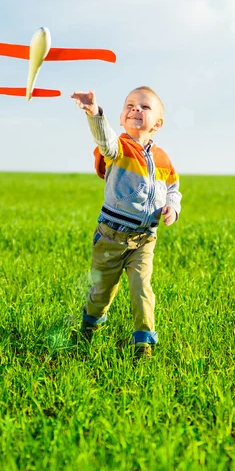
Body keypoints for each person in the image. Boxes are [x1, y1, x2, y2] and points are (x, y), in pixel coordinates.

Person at [71, 86, 182, 358]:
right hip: (111, 236)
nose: (136, 110)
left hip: (144, 238)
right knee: (102, 292)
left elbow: (173, 188)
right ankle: (89, 327)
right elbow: (104, 139)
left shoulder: (163, 158)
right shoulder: (118, 148)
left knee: (142, 289)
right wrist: (95, 113)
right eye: (130, 105)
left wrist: (172, 207)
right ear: (121, 118)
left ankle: (143, 343)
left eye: (145, 107)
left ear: (157, 123)